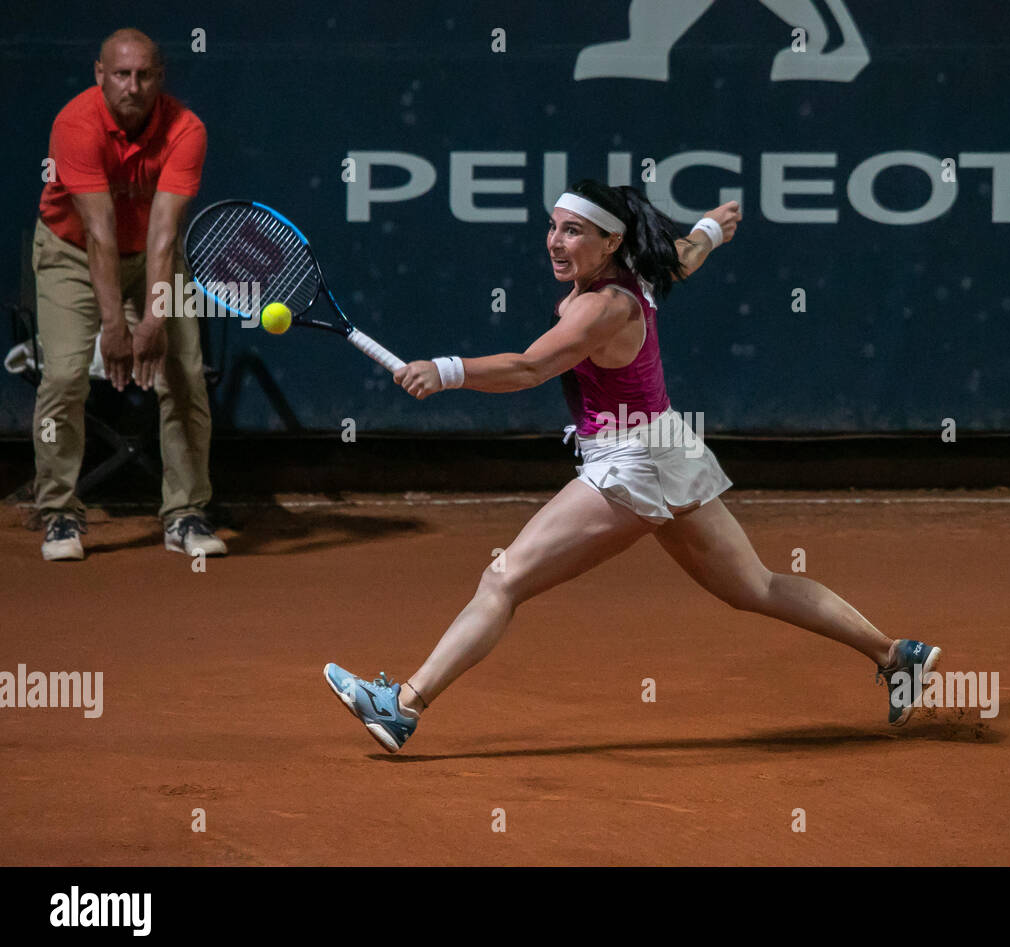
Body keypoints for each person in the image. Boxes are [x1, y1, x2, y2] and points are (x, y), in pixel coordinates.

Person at [324, 180, 940, 752]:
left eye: (573, 231)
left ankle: (402, 705)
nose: (555, 241)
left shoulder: (601, 308)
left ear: (610, 241)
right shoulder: (643, 268)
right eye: (553, 226)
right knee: (756, 586)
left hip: (631, 462)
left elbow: (529, 368)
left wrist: (447, 370)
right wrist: (712, 226)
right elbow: (687, 253)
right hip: (666, 446)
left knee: (503, 580)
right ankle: (896, 655)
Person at [32, 28, 225, 561]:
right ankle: (59, 514)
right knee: (66, 376)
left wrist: (154, 320)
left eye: (144, 75)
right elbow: (99, 233)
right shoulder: (75, 125)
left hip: (152, 256)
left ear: (160, 78)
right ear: (100, 75)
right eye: (121, 74)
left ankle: (185, 512)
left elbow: (165, 234)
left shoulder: (186, 129)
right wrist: (114, 326)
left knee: (184, 374)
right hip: (71, 252)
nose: (133, 86)